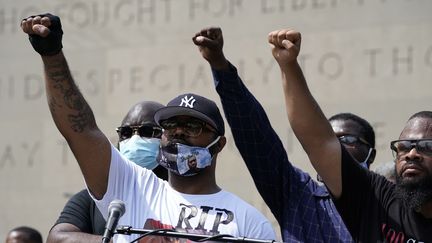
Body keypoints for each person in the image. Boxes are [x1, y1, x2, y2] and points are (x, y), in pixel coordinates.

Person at [20, 14, 276, 242]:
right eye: (170, 124)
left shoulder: (250, 223)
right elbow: (81, 130)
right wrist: (52, 55)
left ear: (218, 144)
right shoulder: (132, 186)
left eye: (193, 126)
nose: (178, 131)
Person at [192, 27, 376, 242]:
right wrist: (220, 66)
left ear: (370, 154)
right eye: (330, 139)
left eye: (347, 140)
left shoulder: (390, 202)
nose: (334, 146)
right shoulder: (298, 197)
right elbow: (256, 137)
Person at [268, 27, 432, 241]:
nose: (411, 154)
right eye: (402, 147)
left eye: (426, 146)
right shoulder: (375, 198)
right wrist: (288, 66)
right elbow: (318, 140)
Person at [47, 101, 168, 243]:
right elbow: (56, 238)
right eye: (126, 133)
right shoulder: (94, 197)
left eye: (147, 131)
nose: (135, 139)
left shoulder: (182, 194)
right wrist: (121, 241)